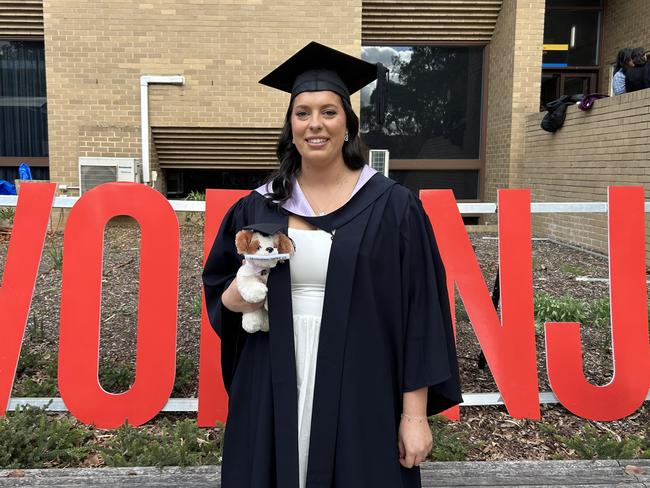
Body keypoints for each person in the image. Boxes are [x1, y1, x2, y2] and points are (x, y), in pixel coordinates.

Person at [202, 41, 462, 488]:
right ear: (291, 125)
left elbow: (420, 315)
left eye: (328, 112)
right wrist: (245, 282)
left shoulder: (393, 208)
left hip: (362, 384)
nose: (314, 124)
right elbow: (222, 298)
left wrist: (415, 415)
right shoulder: (258, 206)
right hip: (272, 379)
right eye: (302, 113)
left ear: (348, 125)